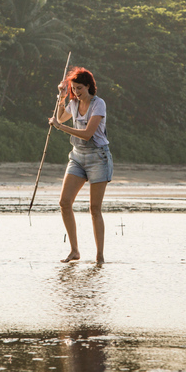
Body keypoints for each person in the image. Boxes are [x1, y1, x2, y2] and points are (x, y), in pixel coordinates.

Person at [48, 67, 112, 264]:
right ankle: (75, 250)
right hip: (77, 157)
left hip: (98, 157)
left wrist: (61, 128)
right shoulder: (73, 103)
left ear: (89, 86)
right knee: (64, 202)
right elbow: (60, 118)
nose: (76, 92)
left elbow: (87, 133)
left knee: (94, 208)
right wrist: (61, 97)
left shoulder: (98, 104)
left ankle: (99, 256)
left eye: (79, 88)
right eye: (73, 88)